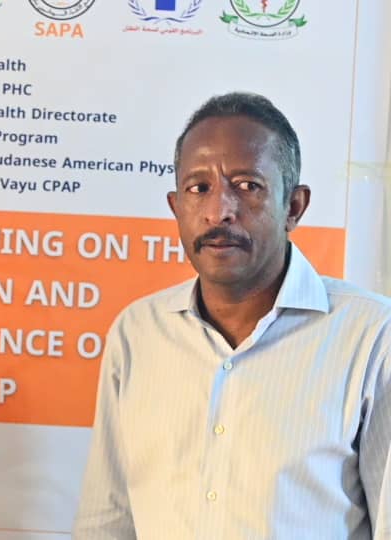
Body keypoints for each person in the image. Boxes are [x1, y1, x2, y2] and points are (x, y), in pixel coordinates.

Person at [72, 92, 391, 539]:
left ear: (293, 207)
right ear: (176, 208)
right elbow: (107, 522)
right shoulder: (138, 333)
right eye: (198, 188)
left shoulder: (371, 336)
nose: (219, 211)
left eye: (247, 186)